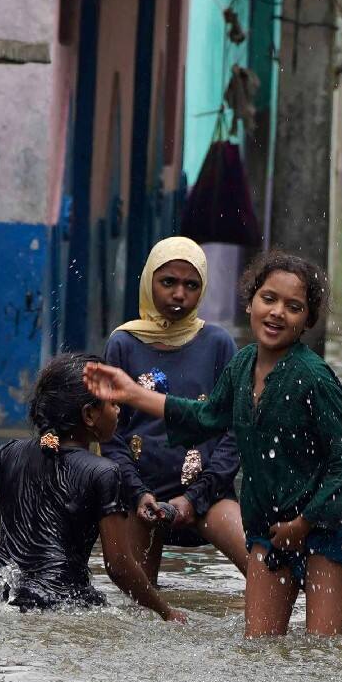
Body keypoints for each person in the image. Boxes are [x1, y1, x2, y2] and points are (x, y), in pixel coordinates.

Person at [84, 252, 342, 638]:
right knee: (259, 649)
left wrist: (304, 523)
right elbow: (206, 417)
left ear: (308, 321)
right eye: (269, 299)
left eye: (294, 306)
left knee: (323, 652)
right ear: (250, 301)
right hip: (269, 525)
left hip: (325, 526)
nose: (278, 313)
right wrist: (133, 394)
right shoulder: (243, 364)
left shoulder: (313, 375)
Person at [0, 353, 185, 622]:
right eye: (113, 403)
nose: (118, 410)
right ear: (90, 415)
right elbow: (118, 567)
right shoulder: (105, 472)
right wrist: (165, 611)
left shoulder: (10, 453)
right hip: (60, 606)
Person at [102, 237, 248, 584]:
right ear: (149, 281)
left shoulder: (218, 343)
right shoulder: (122, 343)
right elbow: (110, 435)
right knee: (138, 601)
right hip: (140, 497)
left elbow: (234, 431)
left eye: (191, 285)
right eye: (168, 282)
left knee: (263, 568)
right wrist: (138, 493)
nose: (179, 294)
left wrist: (195, 497)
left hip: (209, 495)